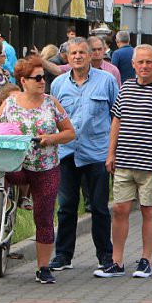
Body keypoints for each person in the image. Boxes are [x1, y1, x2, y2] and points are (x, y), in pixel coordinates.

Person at [0, 56, 76, 284]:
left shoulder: (51, 103)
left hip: (45, 166)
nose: (42, 81)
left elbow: (69, 133)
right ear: (23, 81)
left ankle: (43, 267)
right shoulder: (10, 103)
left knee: (44, 216)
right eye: (37, 78)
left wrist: (51, 138)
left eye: (43, 77)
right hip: (15, 164)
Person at [96, 45, 152, 279]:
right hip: (124, 160)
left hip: (151, 163)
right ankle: (116, 261)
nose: (144, 66)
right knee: (119, 209)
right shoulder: (126, 88)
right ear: (133, 64)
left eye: (148, 62)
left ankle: (145, 260)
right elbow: (116, 121)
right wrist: (111, 154)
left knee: (148, 210)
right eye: (140, 62)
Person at [48, 37, 119, 272]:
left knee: (99, 207)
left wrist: (114, 151)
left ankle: (105, 255)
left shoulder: (106, 81)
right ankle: (63, 255)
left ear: (90, 55)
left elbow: (117, 116)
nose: (77, 56)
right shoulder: (58, 84)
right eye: (73, 53)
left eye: (82, 52)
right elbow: (54, 118)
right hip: (67, 152)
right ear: (67, 58)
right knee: (66, 206)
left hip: (97, 153)